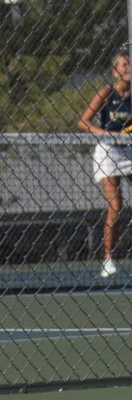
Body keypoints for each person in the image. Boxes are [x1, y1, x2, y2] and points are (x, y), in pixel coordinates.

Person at [78, 50, 132, 279]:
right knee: (116, 205)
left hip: (127, 149)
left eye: (129, 64)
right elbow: (82, 122)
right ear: (115, 71)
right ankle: (107, 260)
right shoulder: (106, 93)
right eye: (124, 65)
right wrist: (107, 134)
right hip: (108, 152)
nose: (128, 68)